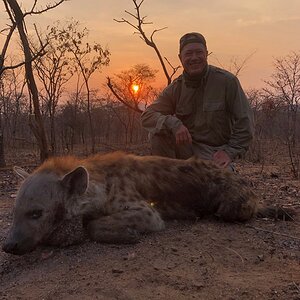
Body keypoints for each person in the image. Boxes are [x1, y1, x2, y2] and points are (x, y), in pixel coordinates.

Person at [141, 32, 254, 169]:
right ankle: (169, 179)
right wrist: (174, 124)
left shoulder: (227, 81)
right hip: (186, 149)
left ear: (206, 53)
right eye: (188, 54)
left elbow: (245, 122)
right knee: (156, 135)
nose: (194, 58)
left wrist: (229, 152)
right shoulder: (176, 88)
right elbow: (147, 116)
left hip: (214, 152)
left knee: (220, 186)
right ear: (180, 58)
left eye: (199, 52)